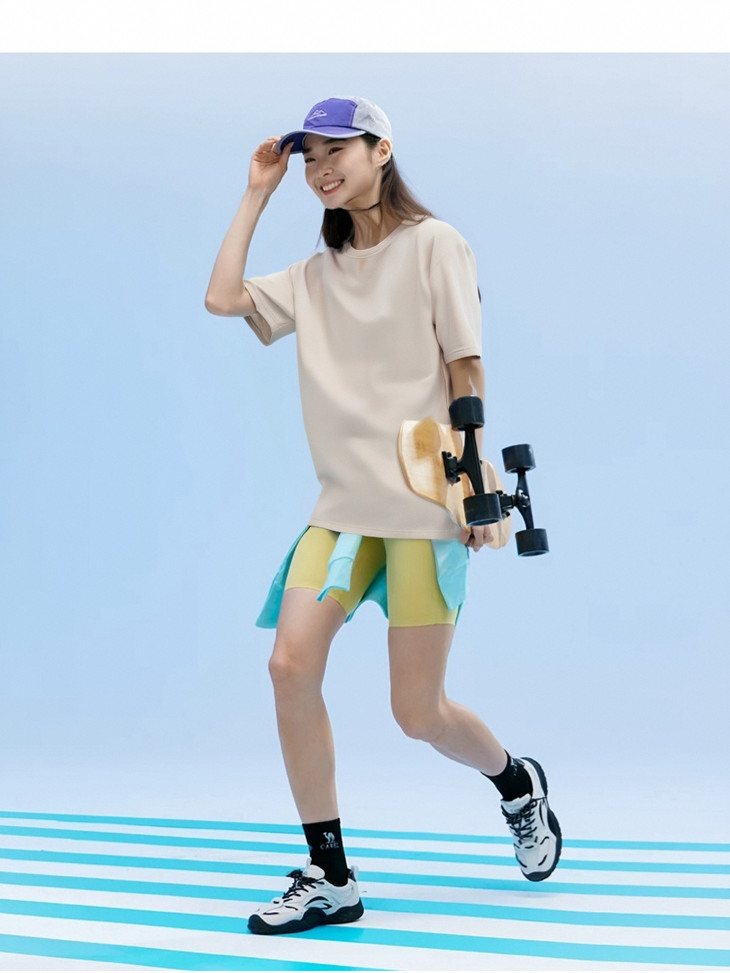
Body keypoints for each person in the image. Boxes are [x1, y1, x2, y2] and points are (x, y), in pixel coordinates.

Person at [205, 96, 561, 936]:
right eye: (309, 159)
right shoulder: (313, 275)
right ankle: (331, 875)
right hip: (341, 511)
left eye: (337, 151)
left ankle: (517, 784)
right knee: (290, 667)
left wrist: (475, 485)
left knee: (418, 713)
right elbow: (222, 298)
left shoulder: (435, 244)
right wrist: (256, 192)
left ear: (382, 150)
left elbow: (466, 370)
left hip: (423, 503)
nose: (320, 169)